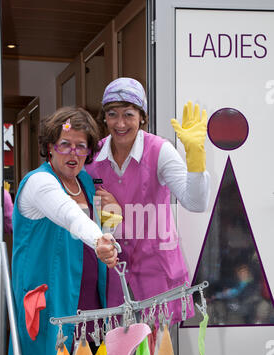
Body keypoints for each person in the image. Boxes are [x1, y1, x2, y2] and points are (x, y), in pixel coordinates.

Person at [7, 106, 118, 355]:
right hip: (55, 304)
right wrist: (99, 239)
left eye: (81, 146)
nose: (73, 153)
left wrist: (112, 221)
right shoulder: (39, 183)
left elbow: (95, 227)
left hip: (91, 303)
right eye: (65, 144)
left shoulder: (85, 184)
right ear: (49, 148)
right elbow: (70, 216)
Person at [86, 77, 210, 324]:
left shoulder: (160, 151)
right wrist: (105, 215)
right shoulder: (93, 156)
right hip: (114, 275)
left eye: (128, 114)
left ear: (142, 116)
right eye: (112, 114)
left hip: (157, 271)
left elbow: (195, 203)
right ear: (104, 118)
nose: (120, 123)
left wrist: (195, 158)